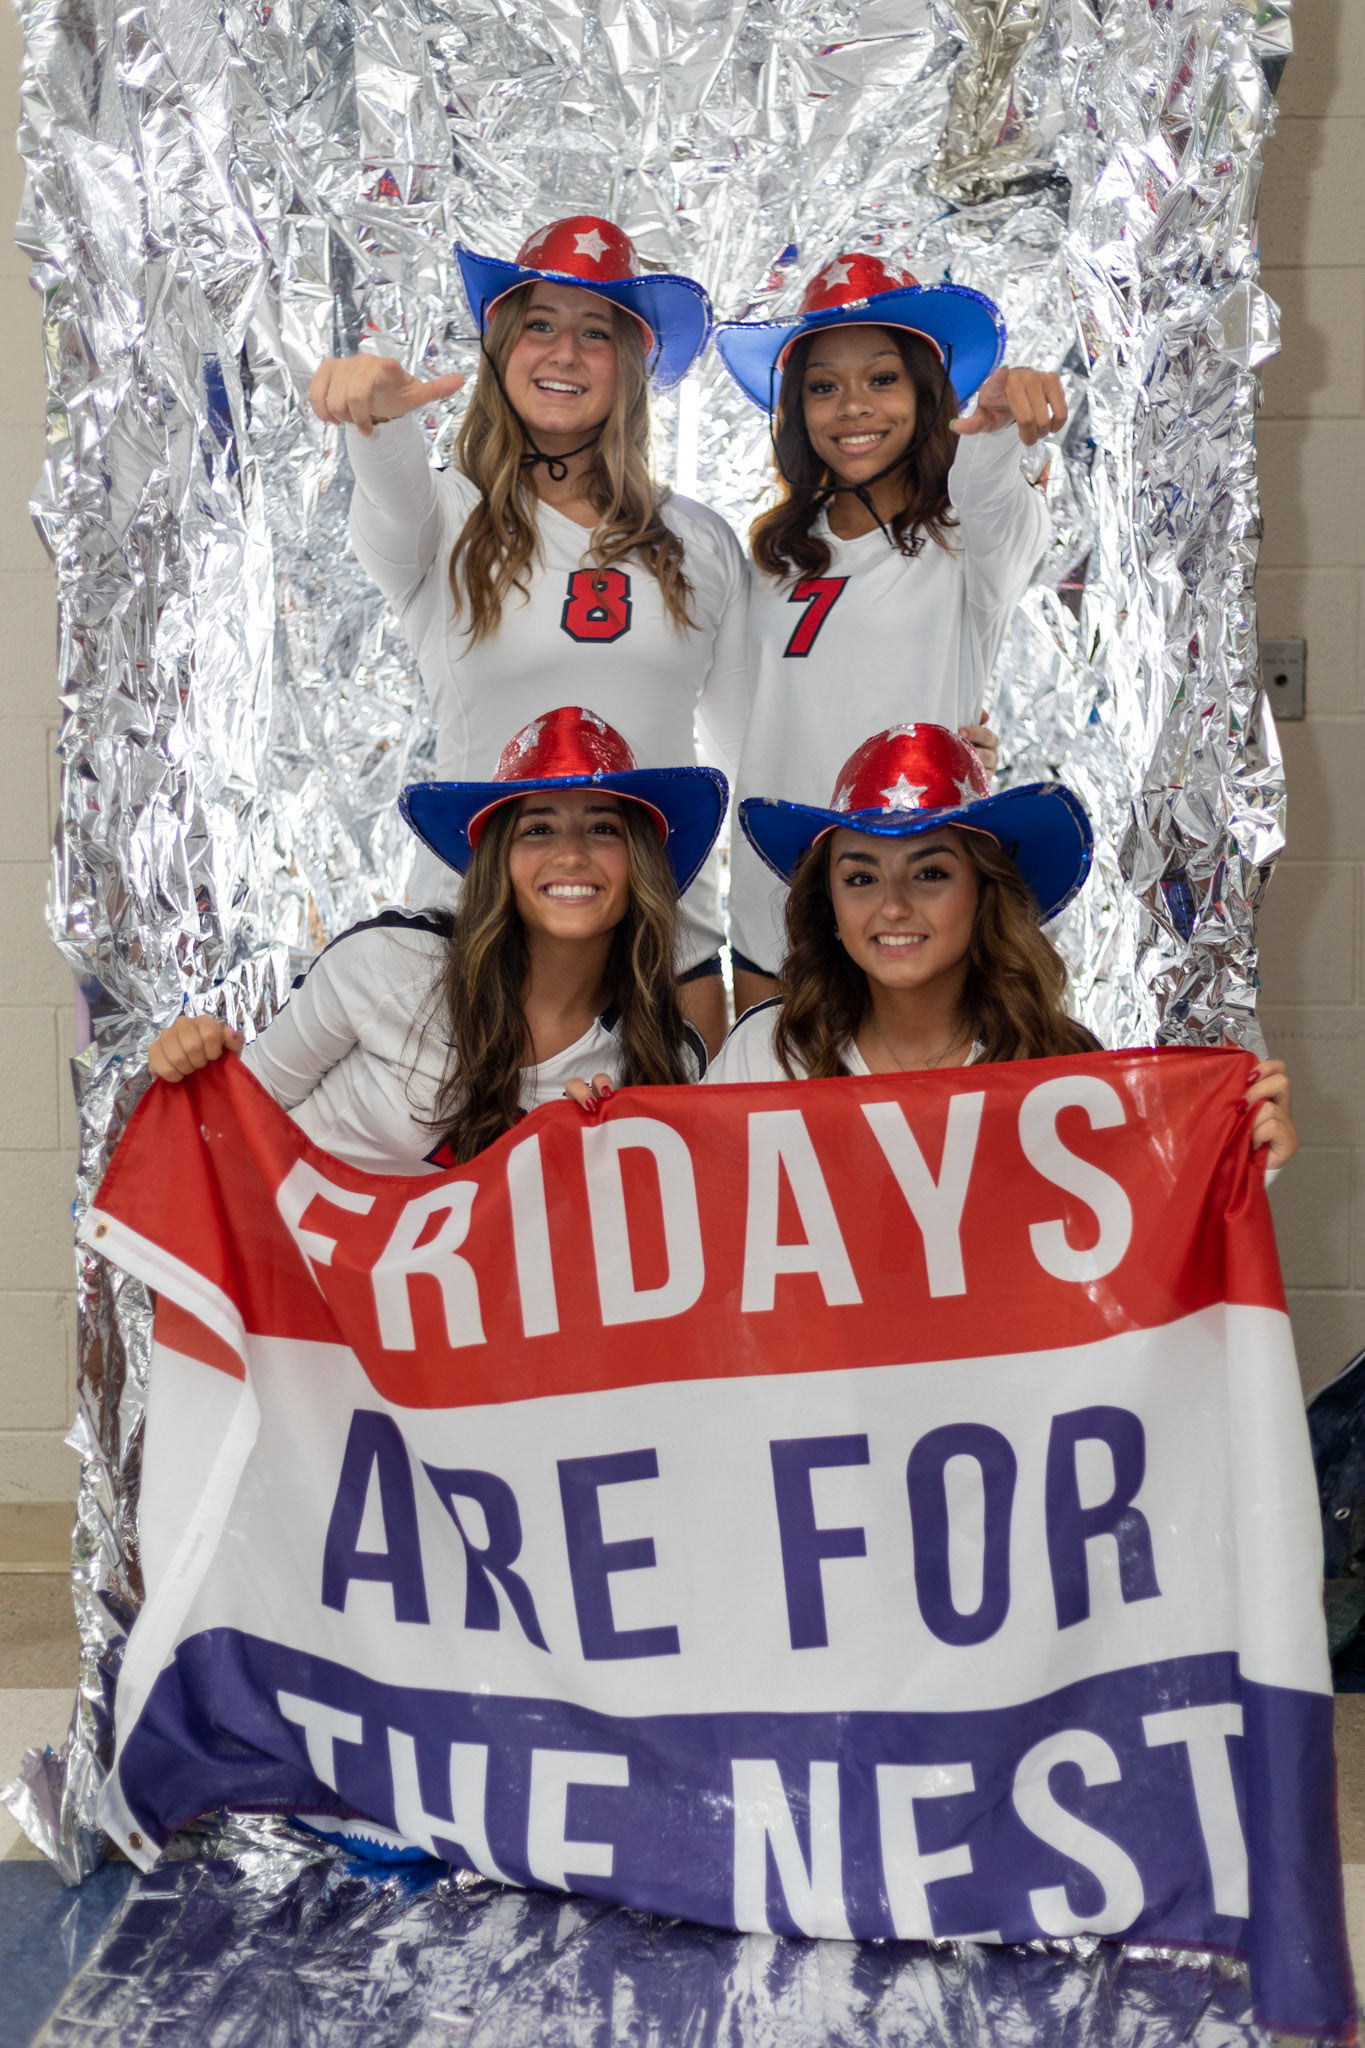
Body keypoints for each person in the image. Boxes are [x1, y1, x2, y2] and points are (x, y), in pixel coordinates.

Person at [308, 216, 746, 1055]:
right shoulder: (445, 521)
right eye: (539, 325)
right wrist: (375, 418)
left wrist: (698, 977)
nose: (564, 353)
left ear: (633, 364)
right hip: (457, 957)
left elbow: (735, 761)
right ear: (501, 348)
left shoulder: (700, 542)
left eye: (595, 333)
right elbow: (391, 491)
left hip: (652, 967)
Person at [713, 252, 1070, 1019]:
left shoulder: (968, 539)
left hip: (910, 911)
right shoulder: (772, 554)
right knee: (779, 1126)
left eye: (881, 378)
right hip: (769, 907)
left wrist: (995, 424)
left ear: (924, 390)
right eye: (822, 386)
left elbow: (984, 488)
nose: (851, 408)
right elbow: (740, 722)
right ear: (796, 409)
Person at [691, 722, 1297, 1174]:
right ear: (829, 906)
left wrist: (1242, 1162)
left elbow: (1145, 1245)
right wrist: (595, 1146)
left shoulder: (1060, 1067)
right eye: (860, 877)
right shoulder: (766, 1056)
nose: (893, 906)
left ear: (985, 894)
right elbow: (687, 1224)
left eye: (930, 874)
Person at [147, 709, 724, 1170]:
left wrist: (596, 1174)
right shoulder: (385, 964)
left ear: (640, 865)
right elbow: (230, 1128)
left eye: (603, 828)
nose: (570, 853)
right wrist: (190, 1068)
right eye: (538, 828)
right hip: (297, 1298)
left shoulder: (664, 1062)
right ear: (498, 862)